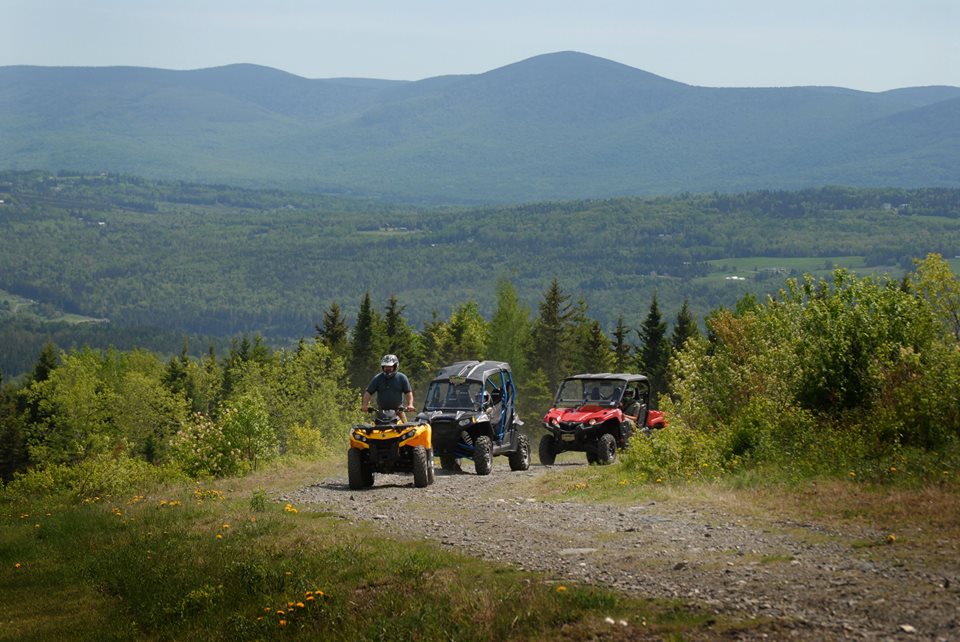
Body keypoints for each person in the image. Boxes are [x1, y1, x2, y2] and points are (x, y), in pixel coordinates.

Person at [361, 354, 415, 422]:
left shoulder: (402, 378)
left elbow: (408, 392)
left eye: (390, 366)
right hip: (381, 412)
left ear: (395, 366)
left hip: (398, 411)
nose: (387, 369)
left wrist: (410, 404)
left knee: (406, 429)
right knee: (375, 430)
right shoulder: (377, 378)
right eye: (385, 366)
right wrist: (365, 405)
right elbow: (368, 392)